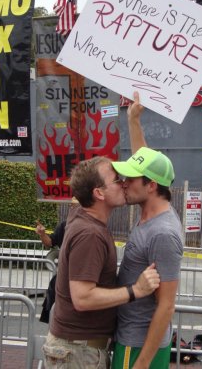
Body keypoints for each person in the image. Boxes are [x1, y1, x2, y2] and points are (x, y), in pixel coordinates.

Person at [42, 156, 161, 369]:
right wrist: (136, 290)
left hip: (77, 350)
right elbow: (83, 298)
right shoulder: (90, 233)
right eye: (117, 179)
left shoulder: (83, 218)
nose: (124, 183)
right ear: (98, 193)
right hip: (78, 354)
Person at [111, 91, 184, 369]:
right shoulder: (151, 210)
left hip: (139, 346)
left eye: (130, 179)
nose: (124, 182)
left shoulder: (162, 233)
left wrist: (142, 363)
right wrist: (133, 120)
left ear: (151, 186)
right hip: (131, 339)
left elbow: (166, 305)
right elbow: (145, 159)